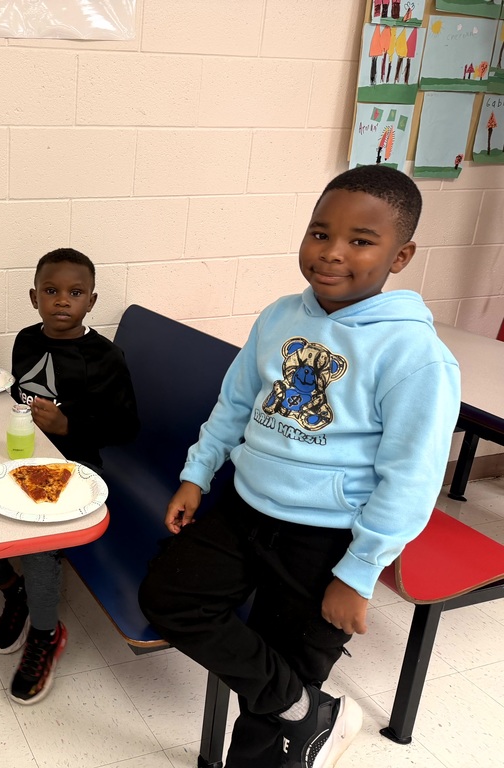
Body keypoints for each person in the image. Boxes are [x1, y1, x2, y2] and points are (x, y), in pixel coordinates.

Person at [138, 166, 461, 768]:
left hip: (326, 539)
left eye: (361, 241)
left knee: (285, 674)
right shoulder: (280, 315)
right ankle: (311, 714)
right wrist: (197, 472)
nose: (332, 253)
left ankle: (290, 726)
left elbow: (411, 479)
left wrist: (359, 571)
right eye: (320, 232)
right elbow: (235, 403)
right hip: (244, 506)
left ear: (401, 255)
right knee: (169, 598)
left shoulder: (416, 355)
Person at [0, 247, 139, 704]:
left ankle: (46, 632)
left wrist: (69, 426)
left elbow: (127, 429)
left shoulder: (106, 357)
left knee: (39, 539)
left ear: (91, 300)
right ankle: (15, 591)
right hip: (22, 455)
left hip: (78, 466)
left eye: (75, 292)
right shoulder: (26, 339)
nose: (62, 300)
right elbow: (19, 398)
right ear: (33, 297)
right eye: (51, 291)